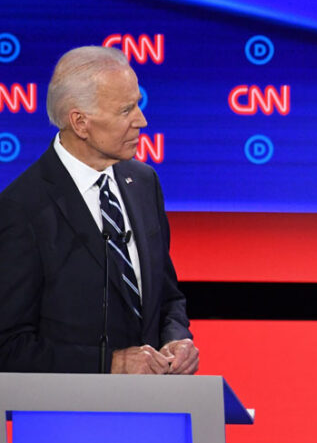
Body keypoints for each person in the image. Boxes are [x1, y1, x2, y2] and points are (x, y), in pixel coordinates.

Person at [0, 46, 198, 375]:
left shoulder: (143, 182)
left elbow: (166, 297)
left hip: (156, 410)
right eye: (126, 110)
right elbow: (8, 346)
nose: (142, 120)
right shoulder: (22, 209)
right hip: (67, 418)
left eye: (138, 104)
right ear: (80, 122)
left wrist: (177, 340)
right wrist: (108, 364)